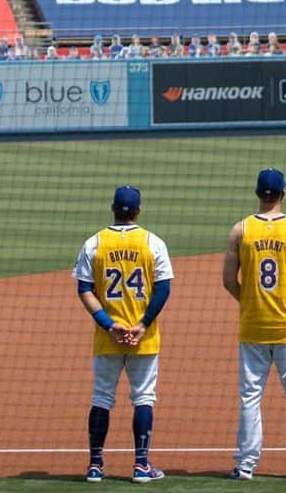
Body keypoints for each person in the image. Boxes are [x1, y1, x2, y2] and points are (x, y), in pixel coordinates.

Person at [222, 168, 286, 480]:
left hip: (253, 327)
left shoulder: (240, 230)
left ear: (257, 194)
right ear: (283, 194)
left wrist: (251, 303)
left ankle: (245, 464)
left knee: (250, 396)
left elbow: (228, 281)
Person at [73, 185, 174, 483]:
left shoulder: (95, 243)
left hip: (108, 338)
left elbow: (84, 290)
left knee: (102, 398)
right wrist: (141, 325)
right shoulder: (152, 242)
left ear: (113, 209)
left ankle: (95, 466)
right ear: (138, 210)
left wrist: (109, 323)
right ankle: (141, 466)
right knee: (143, 397)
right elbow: (163, 289)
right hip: (144, 337)